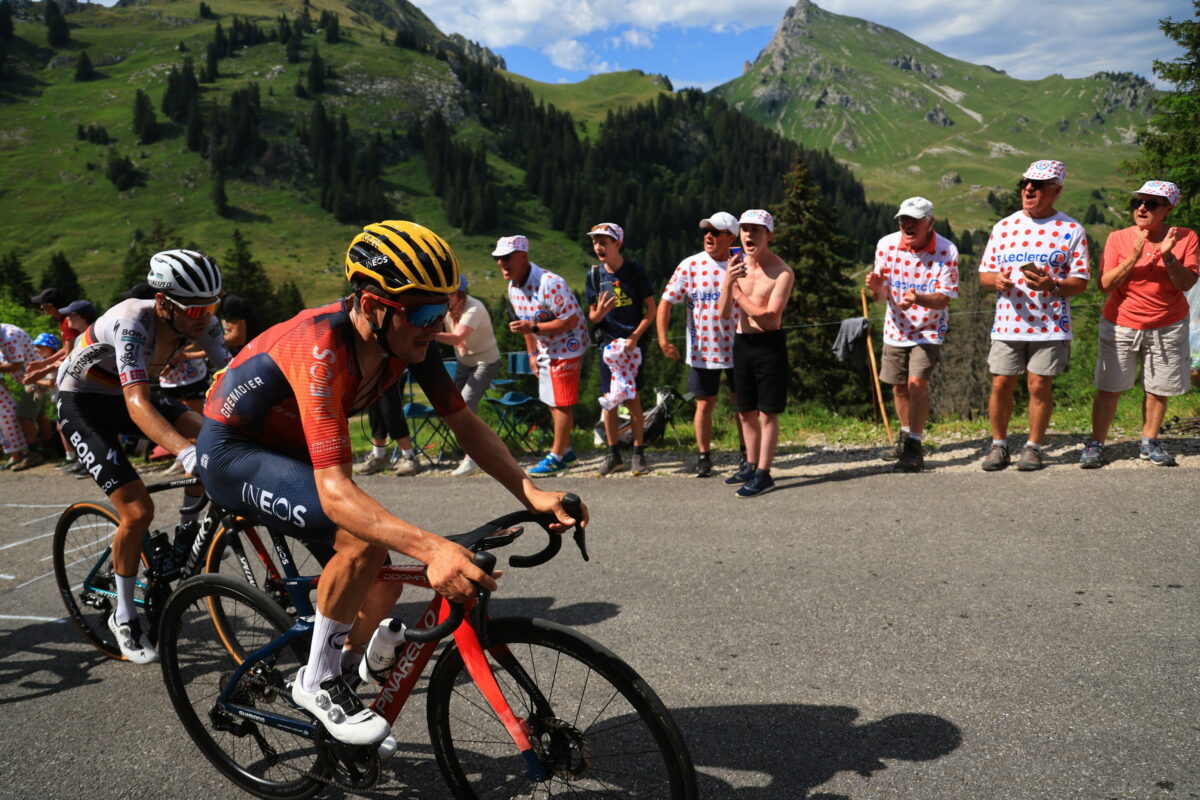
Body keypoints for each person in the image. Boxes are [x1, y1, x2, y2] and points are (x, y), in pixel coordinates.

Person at [196, 220, 585, 747]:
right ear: (374, 305)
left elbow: (464, 423)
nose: (436, 323)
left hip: (294, 447)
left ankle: (345, 668)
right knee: (361, 540)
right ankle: (316, 682)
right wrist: (433, 549)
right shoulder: (321, 346)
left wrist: (529, 490)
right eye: (424, 313)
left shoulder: (408, 343)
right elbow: (335, 492)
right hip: (234, 450)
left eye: (443, 308)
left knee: (382, 573)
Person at [55, 250, 228, 663]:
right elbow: (137, 404)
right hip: (82, 402)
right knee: (137, 511)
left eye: (211, 307)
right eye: (195, 309)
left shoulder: (203, 322)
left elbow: (236, 378)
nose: (204, 317)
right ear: (165, 302)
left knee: (214, 443)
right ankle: (124, 614)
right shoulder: (131, 320)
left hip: (128, 394)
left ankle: (185, 538)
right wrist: (185, 453)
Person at [978, 160, 1090, 471]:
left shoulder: (1071, 230)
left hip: (1050, 324)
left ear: (1057, 190)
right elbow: (985, 275)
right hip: (1008, 322)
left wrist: (1052, 284)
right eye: (1026, 182)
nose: (1029, 188)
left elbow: (1079, 283)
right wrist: (996, 281)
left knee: (1039, 385)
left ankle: (1034, 446)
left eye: (1038, 185)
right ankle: (999, 444)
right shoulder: (1004, 226)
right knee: (1001, 383)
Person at [1080, 180, 1199, 468]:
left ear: (1168, 209)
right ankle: (1096, 442)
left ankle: (1149, 441)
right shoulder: (1118, 238)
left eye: (1151, 203)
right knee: (1109, 387)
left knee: (1158, 387)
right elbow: (1105, 285)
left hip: (1168, 323)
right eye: (1138, 202)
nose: (1142, 208)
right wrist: (1133, 257)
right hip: (1121, 322)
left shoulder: (1186, 237)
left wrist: (1168, 256)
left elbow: (1187, 282)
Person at [866, 197, 960, 472]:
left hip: (929, 328)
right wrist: (876, 288)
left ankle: (915, 446)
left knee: (916, 382)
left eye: (914, 220)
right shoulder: (886, 244)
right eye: (903, 220)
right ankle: (906, 436)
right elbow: (879, 296)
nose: (907, 225)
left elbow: (944, 299)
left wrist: (919, 298)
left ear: (929, 222)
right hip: (895, 326)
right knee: (898, 386)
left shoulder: (946, 250)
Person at [657, 211, 744, 477]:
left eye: (715, 232)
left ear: (731, 237)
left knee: (742, 403)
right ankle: (704, 456)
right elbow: (666, 302)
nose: (708, 236)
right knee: (704, 404)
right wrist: (662, 338)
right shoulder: (690, 265)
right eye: (706, 231)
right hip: (703, 349)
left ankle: (746, 453)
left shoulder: (742, 263)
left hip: (740, 345)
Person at [495, 234, 589, 477]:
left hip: (568, 345)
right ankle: (565, 449)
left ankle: (557, 456)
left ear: (523, 257)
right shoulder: (513, 286)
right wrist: (532, 353)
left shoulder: (550, 282)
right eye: (498, 259)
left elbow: (570, 320)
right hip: (545, 347)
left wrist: (534, 329)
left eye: (506, 258)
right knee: (550, 399)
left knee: (562, 402)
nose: (501, 263)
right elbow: (525, 323)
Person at [717, 209, 795, 498]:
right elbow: (724, 313)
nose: (749, 235)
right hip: (742, 342)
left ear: (769, 236)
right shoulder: (737, 265)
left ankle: (764, 473)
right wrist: (728, 283)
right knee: (745, 411)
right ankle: (750, 464)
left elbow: (770, 319)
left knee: (768, 413)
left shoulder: (782, 272)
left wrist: (738, 294)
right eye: (745, 229)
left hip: (769, 344)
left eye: (757, 230)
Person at [584, 222, 656, 476]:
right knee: (609, 401)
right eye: (595, 242)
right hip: (607, 345)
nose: (598, 247)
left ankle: (638, 453)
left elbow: (651, 309)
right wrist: (600, 313)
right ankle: (613, 453)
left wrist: (635, 336)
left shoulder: (635, 272)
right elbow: (592, 316)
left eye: (604, 242)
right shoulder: (594, 275)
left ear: (617, 244)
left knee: (633, 398)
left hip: (632, 345)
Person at [434, 273, 501, 476]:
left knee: (466, 403)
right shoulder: (448, 308)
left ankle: (472, 458)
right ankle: (469, 449)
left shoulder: (474, 308)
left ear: (460, 293)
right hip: (464, 361)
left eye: (450, 292)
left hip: (485, 361)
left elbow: (457, 338)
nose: (446, 296)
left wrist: (425, 334)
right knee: (451, 404)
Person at [0, 322, 44, 471]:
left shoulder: (9, 336)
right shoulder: (4, 332)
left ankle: (34, 454)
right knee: (39, 415)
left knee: (24, 416)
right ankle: (48, 448)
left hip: (35, 379)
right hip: (33, 378)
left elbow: (16, 365)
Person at [354, 383, 423, 477]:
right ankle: (379, 457)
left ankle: (411, 458)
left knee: (391, 411)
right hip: (374, 372)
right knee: (375, 413)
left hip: (393, 372)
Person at [219, 292, 263, 358]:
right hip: (244, 356)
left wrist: (209, 343)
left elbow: (238, 338)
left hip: (252, 355)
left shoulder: (231, 302)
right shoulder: (222, 304)